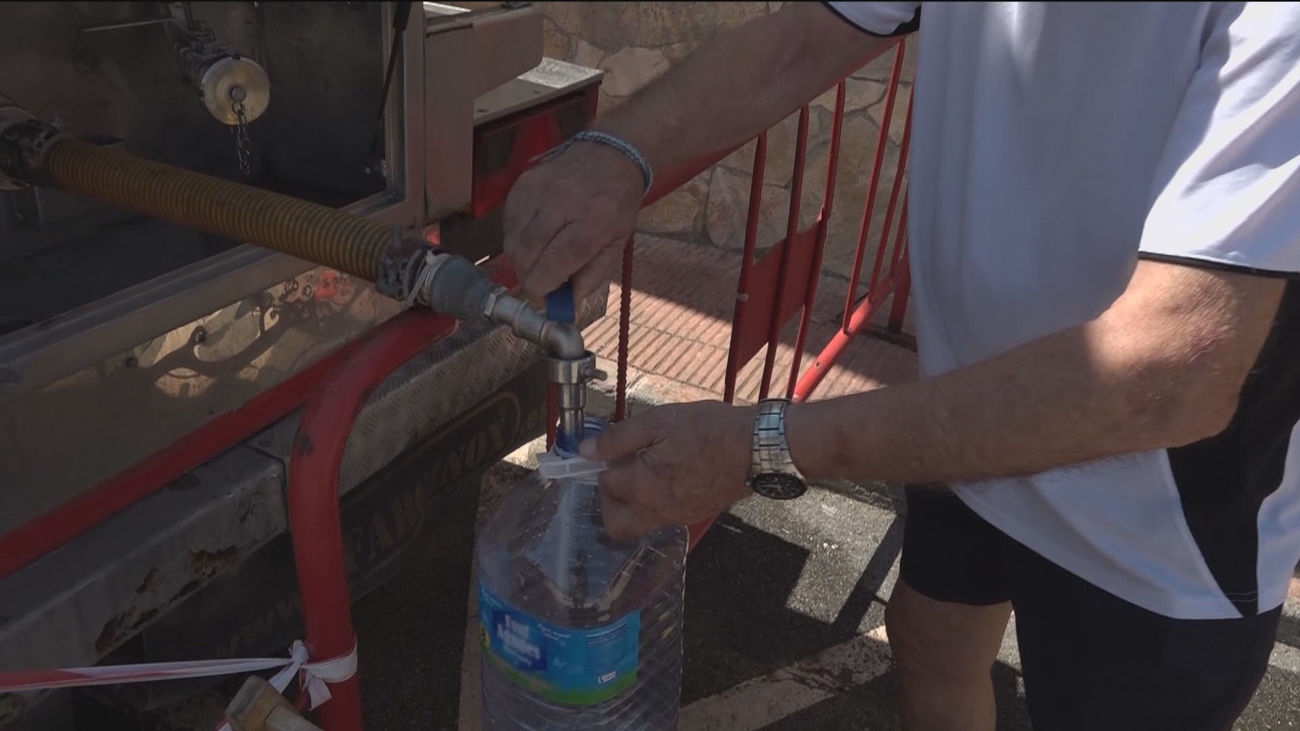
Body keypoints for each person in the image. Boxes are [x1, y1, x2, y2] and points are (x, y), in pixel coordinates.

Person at [503, 3, 1300, 729]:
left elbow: (1171, 373)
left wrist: (762, 444)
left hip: (1155, 524)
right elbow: (806, 36)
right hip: (965, 418)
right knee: (931, 642)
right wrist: (619, 151)